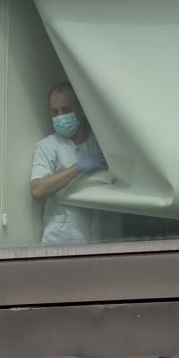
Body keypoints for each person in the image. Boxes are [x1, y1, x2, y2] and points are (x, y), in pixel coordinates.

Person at [29, 82, 119, 246]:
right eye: (55, 112)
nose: (60, 116)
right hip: (60, 241)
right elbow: (37, 190)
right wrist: (77, 168)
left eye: (66, 110)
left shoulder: (101, 142)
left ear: (82, 109)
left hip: (100, 239)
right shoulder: (48, 146)